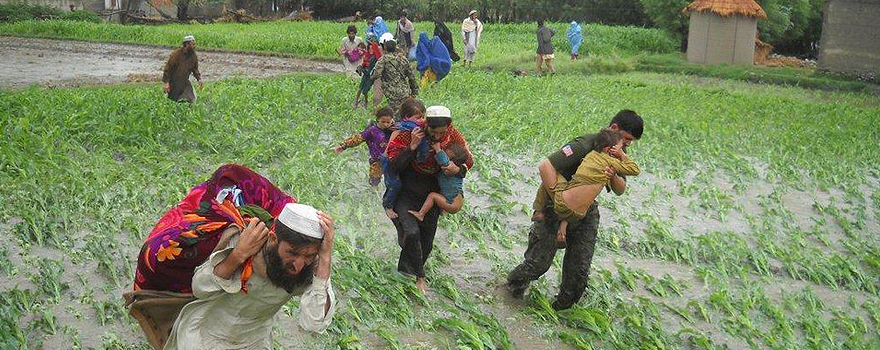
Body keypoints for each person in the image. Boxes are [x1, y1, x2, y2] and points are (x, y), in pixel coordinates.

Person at [125, 164, 336, 349]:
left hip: (254, 342)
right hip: (202, 337)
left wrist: (324, 259)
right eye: (292, 252)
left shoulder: (311, 268)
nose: (299, 264)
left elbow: (314, 324)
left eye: (309, 255)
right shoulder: (245, 241)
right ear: (273, 240)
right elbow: (201, 288)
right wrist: (237, 255)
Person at [506, 110, 644, 311]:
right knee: (537, 265)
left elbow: (620, 189)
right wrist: (561, 202)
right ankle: (511, 289)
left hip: (586, 211)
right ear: (614, 128)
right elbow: (546, 166)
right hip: (557, 205)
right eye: (628, 138)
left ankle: (558, 314)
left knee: (578, 274)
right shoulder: (585, 144)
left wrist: (613, 174)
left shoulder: (618, 151)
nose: (629, 144)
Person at [385, 105, 473, 293]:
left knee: (426, 243)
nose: (437, 136)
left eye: (442, 132)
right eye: (434, 131)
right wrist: (412, 147)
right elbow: (392, 166)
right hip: (408, 189)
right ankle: (419, 277)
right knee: (412, 233)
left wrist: (458, 170)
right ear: (427, 125)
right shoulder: (409, 133)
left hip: (432, 192)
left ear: (449, 127)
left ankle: (405, 277)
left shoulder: (454, 137)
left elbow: (469, 160)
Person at [550, 129, 640, 248]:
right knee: (578, 204)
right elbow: (635, 170)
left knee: (555, 175)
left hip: (568, 194)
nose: (626, 146)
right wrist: (622, 155)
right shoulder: (610, 161)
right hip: (579, 208)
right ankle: (561, 228)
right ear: (610, 149)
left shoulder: (591, 155)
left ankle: (544, 214)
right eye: (621, 146)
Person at [381, 98, 427, 219]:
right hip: (389, 160)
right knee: (395, 184)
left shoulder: (404, 126)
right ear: (407, 117)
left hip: (400, 158)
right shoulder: (405, 128)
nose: (421, 121)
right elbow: (391, 154)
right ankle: (387, 205)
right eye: (419, 118)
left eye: (423, 117)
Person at [334, 107, 395, 187]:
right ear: (377, 119)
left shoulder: (395, 130)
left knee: (393, 182)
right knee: (374, 183)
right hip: (377, 162)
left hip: (391, 161)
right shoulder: (371, 131)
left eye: (388, 122)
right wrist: (343, 146)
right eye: (383, 122)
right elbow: (357, 138)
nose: (386, 124)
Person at [407, 142, 467, 222]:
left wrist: (437, 149)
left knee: (432, 196)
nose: (444, 151)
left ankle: (421, 214)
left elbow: (444, 161)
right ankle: (443, 209)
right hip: (457, 200)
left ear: (453, 158)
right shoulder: (456, 170)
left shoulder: (451, 167)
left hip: (453, 203)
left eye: (447, 152)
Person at [371, 35, 419, 114]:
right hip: (405, 91)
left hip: (391, 92)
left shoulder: (383, 60)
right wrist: (414, 92)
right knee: (405, 113)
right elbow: (411, 77)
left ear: (385, 48)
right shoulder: (403, 59)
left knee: (395, 114)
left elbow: (376, 75)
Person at [163, 35, 202, 102]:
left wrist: (199, 79)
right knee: (172, 100)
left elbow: (195, 69)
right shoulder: (176, 54)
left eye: (194, 43)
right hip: (174, 82)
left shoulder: (193, 55)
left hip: (184, 81)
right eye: (192, 43)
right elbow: (168, 69)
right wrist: (167, 83)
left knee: (191, 98)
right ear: (186, 44)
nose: (194, 45)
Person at [355, 34, 382, 109]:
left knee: (365, 91)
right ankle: (355, 102)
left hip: (371, 75)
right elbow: (364, 62)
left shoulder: (376, 55)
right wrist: (361, 67)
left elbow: (376, 63)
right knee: (360, 88)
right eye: (369, 45)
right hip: (366, 73)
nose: (370, 47)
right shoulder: (367, 54)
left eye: (372, 45)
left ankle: (366, 102)